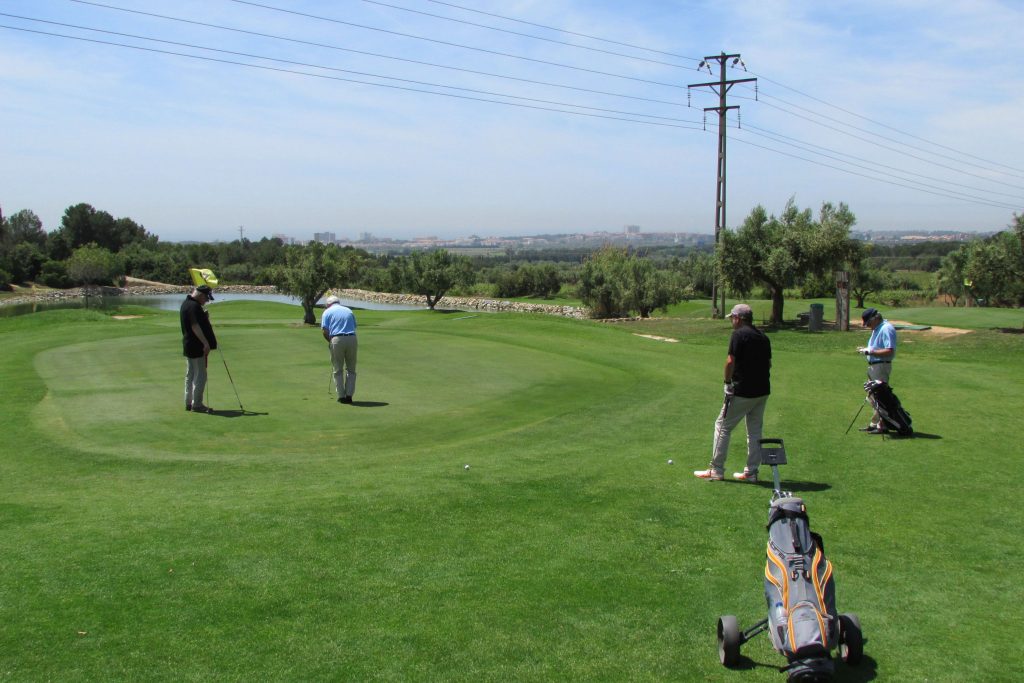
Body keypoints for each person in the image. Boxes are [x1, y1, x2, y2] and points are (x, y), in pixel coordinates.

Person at [694, 303, 772, 483]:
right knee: (754, 431)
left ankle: (716, 469)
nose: (731, 321)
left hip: (742, 391)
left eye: (732, 318)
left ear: (738, 318)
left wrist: (727, 383)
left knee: (722, 426)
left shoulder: (738, 335)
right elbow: (768, 364)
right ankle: (751, 472)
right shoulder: (763, 336)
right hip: (762, 391)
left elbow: (730, 361)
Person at [858, 307, 897, 434]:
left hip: (881, 366)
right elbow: (876, 347)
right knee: (872, 396)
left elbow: (889, 350)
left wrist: (871, 352)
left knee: (880, 397)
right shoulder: (877, 328)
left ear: (875, 319)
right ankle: (876, 423)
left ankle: (882, 425)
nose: (867, 326)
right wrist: (867, 349)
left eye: (868, 323)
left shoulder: (886, 328)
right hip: (874, 366)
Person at [180, 284, 217, 413]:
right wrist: (205, 343)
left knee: (190, 374)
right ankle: (197, 404)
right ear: (201, 295)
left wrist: (203, 317)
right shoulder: (193, 306)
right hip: (196, 346)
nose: (206, 301)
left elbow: (196, 322)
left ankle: (188, 402)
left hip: (189, 345)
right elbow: (195, 326)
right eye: (206, 298)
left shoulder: (186, 304)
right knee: (200, 375)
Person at [321, 295, 358, 404]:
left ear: (328, 304)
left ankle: (341, 396)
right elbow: (354, 326)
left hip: (337, 339)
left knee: (338, 369)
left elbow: (324, 331)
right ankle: (349, 396)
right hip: (352, 338)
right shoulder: (348, 310)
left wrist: (330, 341)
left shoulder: (327, 312)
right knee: (351, 369)